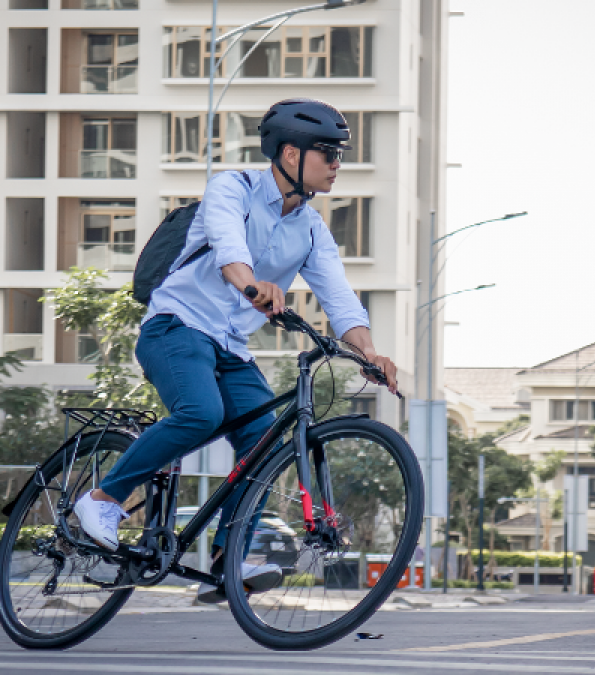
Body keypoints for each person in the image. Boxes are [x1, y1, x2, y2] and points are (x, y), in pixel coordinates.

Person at [74, 98, 399, 603]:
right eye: (328, 153)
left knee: (264, 437)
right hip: (176, 326)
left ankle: (230, 557)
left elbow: (339, 297)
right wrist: (252, 286)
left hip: (229, 346)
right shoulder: (234, 188)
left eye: (339, 155)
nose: (338, 165)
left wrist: (370, 352)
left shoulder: (311, 228)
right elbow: (229, 248)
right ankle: (103, 498)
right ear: (291, 155)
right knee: (202, 413)